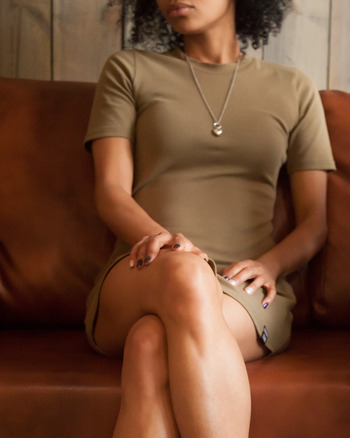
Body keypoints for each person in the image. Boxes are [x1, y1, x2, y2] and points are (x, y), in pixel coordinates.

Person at [83, 0, 335, 436]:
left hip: (244, 291)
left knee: (149, 344)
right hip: (142, 271)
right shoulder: (129, 71)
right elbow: (109, 193)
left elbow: (315, 221)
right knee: (185, 274)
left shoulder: (292, 88)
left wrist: (271, 265)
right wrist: (169, 243)